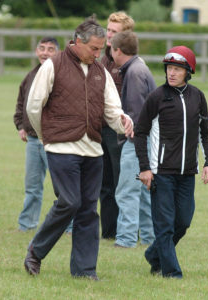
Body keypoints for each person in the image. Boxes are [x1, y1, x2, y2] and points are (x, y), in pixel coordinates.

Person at [23, 17, 133, 280]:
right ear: (78, 42)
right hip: (61, 149)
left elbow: (111, 109)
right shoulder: (53, 66)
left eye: (100, 49)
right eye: (94, 49)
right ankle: (36, 252)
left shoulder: (100, 71)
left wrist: (123, 122)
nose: (98, 54)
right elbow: (33, 106)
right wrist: (47, 136)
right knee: (69, 202)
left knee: (87, 211)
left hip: (93, 151)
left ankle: (84, 270)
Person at [134, 46, 208, 278]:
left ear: (188, 71)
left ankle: (153, 255)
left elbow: (206, 133)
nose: (171, 73)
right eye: (169, 68)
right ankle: (172, 273)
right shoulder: (156, 97)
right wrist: (144, 169)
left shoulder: (198, 97)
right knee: (165, 225)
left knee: (183, 221)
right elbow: (140, 133)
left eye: (177, 69)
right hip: (161, 173)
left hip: (188, 173)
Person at [110, 31, 156, 248]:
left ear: (117, 50)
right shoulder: (140, 67)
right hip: (148, 142)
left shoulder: (134, 73)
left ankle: (126, 239)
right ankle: (149, 238)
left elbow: (137, 115)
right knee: (144, 192)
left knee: (127, 190)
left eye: (111, 48)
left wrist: (133, 136)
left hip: (137, 142)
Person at [13, 37, 59, 232]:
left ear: (57, 53)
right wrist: (21, 126)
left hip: (54, 141)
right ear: (36, 51)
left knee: (63, 188)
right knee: (32, 186)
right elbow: (21, 104)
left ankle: (69, 225)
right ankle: (27, 224)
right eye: (41, 48)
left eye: (50, 49)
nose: (45, 53)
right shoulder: (30, 76)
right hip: (32, 141)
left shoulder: (60, 76)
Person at [100, 12, 135, 239]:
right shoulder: (102, 58)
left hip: (119, 132)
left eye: (115, 31)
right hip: (99, 130)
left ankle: (127, 231)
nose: (109, 35)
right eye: (108, 30)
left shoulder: (130, 65)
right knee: (104, 184)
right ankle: (109, 231)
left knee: (122, 183)